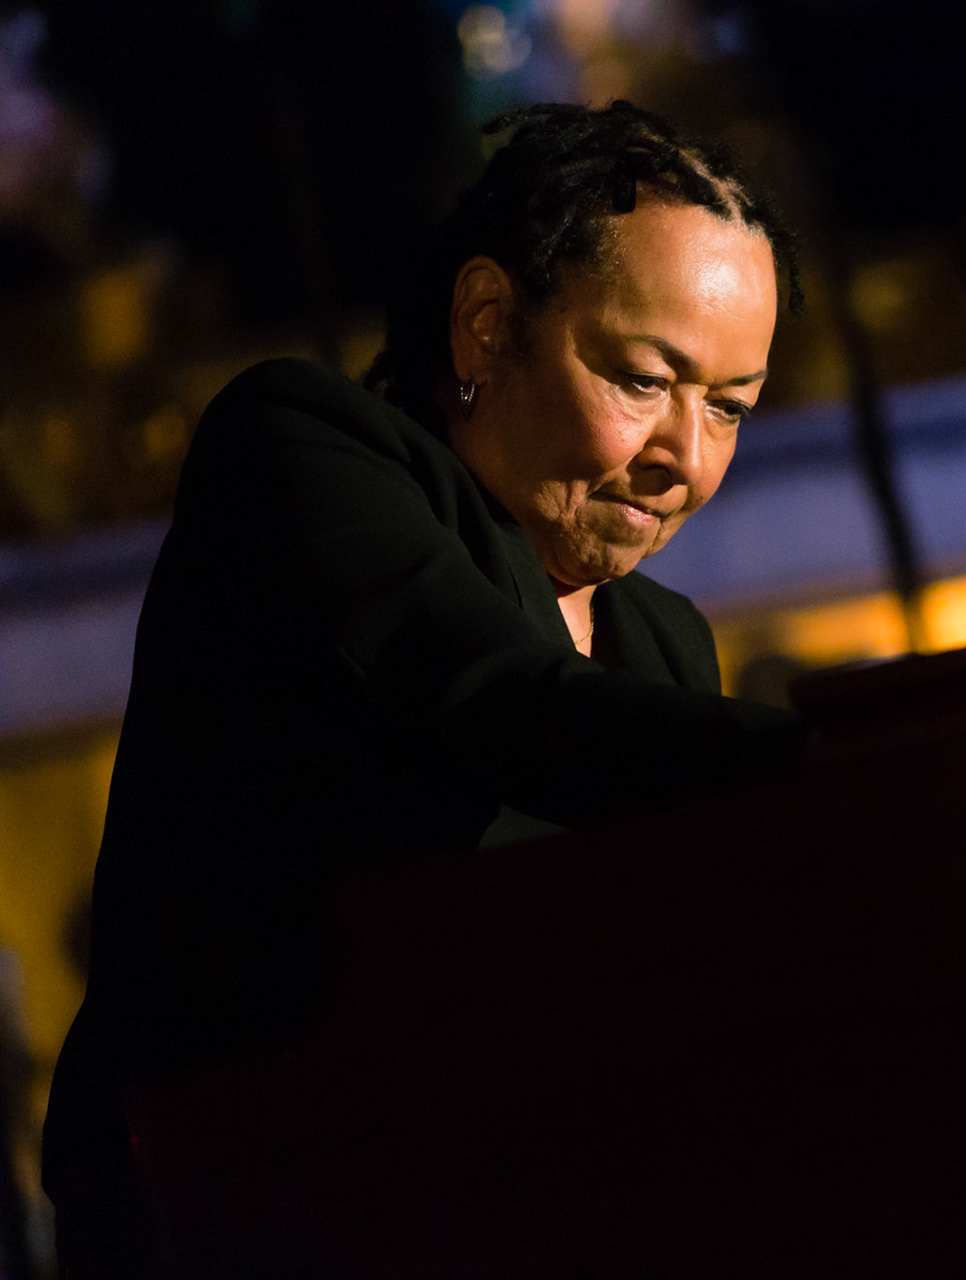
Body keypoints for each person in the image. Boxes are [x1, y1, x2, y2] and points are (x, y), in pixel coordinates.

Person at [41, 101, 807, 1275]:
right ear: (487, 322)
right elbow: (498, 699)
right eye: (644, 379)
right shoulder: (298, 452)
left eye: (729, 407)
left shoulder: (664, 642)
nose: (685, 459)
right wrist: (858, 761)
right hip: (244, 1207)